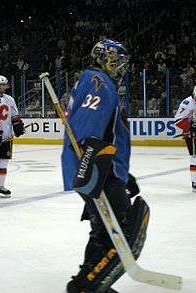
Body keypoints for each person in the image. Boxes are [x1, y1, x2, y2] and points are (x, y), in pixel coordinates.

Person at [61, 39, 150, 293]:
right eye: (118, 61)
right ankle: (89, 284)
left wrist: (123, 173)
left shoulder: (101, 82)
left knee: (103, 228)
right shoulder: (98, 82)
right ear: (104, 58)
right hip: (95, 168)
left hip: (102, 167)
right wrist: (93, 167)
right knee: (118, 227)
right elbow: (87, 129)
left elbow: (105, 135)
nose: (122, 67)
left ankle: (90, 280)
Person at [175, 85, 196, 193]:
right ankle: (195, 183)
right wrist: (189, 128)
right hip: (193, 134)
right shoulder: (187, 103)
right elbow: (178, 120)